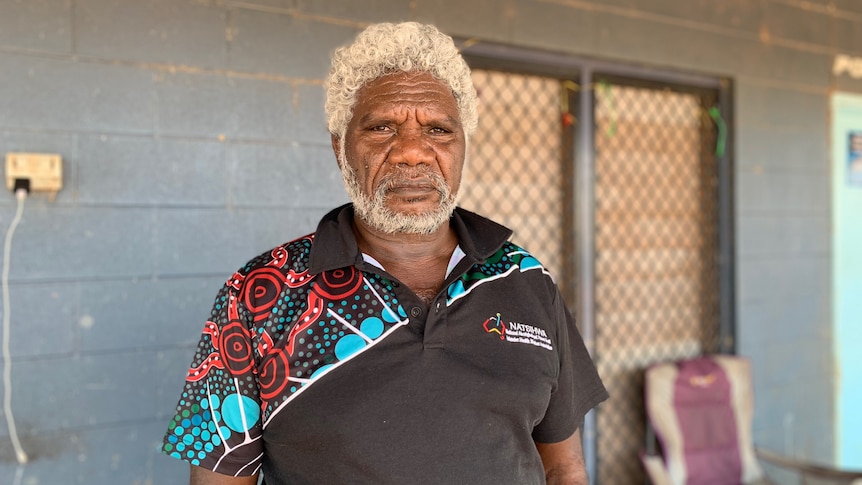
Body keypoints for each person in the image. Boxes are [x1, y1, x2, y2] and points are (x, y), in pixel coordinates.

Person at [162, 21, 608, 485]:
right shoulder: (256, 295)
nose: (412, 152)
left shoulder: (525, 278)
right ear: (341, 148)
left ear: (462, 149)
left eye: (438, 129)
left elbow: (564, 468)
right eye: (381, 128)